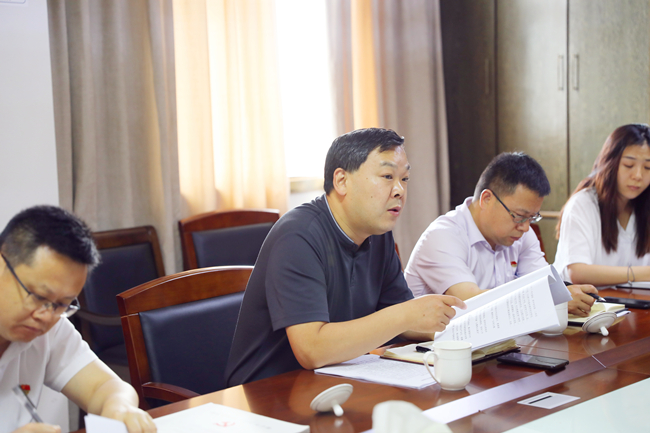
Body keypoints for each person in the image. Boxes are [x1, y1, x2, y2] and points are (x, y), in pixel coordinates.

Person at [225, 128, 466, 386]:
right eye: (387, 176)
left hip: (334, 382)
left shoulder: (378, 233)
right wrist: (407, 315)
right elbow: (312, 349)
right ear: (341, 181)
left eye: (404, 178)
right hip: (267, 393)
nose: (399, 190)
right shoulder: (298, 236)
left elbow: (403, 317)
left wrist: (460, 329)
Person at [0, 206, 156, 433]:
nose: (46, 316)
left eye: (62, 304)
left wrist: (119, 407)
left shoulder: (49, 328)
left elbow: (103, 386)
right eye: (38, 296)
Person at [405, 152, 598, 317]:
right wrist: (551, 299)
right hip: (428, 346)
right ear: (487, 199)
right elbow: (470, 303)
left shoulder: (521, 233)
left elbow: (546, 285)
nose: (525, 227)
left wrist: (564, 294)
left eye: (532, 217)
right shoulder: (443, 236)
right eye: (519, 216)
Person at [554, 124, 650, 286]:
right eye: (629, 165)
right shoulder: (582, 204)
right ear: (610, 163)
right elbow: (577, 272)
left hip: (632, 300)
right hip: (585, 301)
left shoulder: (644, 206)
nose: (638, 175)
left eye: (648, 167)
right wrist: (641, 274)